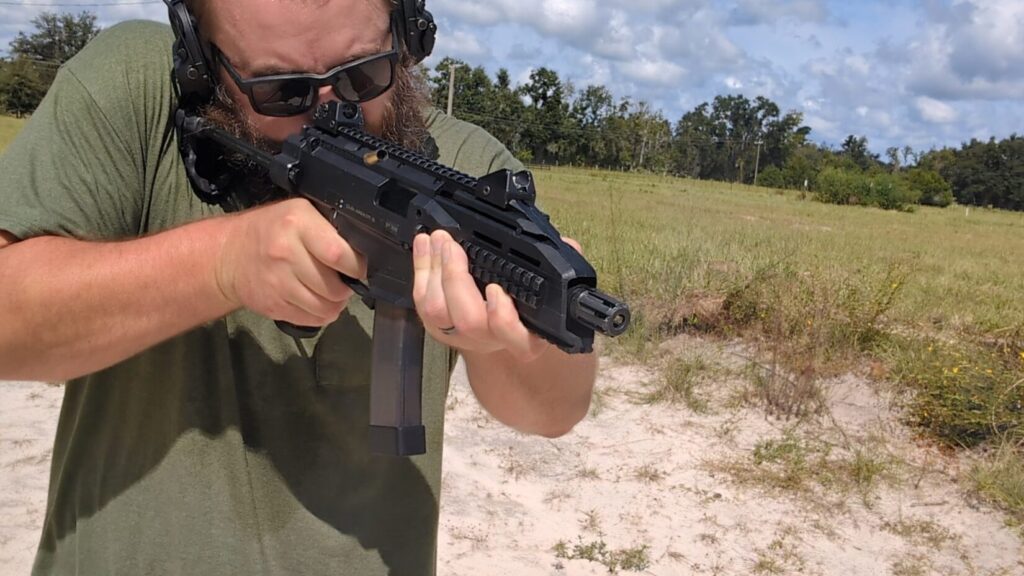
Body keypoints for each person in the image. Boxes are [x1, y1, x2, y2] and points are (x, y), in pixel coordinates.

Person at [0, 0, 597, 573]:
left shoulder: (462, 166)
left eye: (364, 74)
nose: (332, 112)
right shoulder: (136, 88)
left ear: (407, 34)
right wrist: (222, 264)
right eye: (282, 90)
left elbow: (552, 412)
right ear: (201, 62)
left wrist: (516, 341)